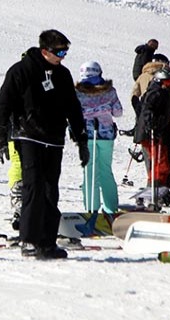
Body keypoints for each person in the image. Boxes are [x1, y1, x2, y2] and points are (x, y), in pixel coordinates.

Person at [0, 29, 89, 260]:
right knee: (33, 188)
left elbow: (73, 109)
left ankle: (47, 242)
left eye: (66, 51)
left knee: (50, 191)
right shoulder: (21, 70)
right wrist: (2, 140)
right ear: (45, 50)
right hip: (28, 137)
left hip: (54, 139)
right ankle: (28, 240)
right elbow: (3, 105)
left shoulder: (63, 75)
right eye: (59, 52)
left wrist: (81, 141)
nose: (63, 56)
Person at [75, 61, 123, 214]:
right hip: (106, 135)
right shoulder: (109, 91)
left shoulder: (78, 92)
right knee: (105, 170)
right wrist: (103, 110)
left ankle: (91, 207)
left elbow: (74, 113)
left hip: (86, 135)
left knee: (89, 170)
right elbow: (118, 112)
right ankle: (111, 208)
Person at [133, 67, 170, 194]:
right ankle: (154, 189)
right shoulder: (154, 93)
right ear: (160, 81)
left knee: (164, 162)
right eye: (168, 82)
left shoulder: (168, 93)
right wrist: (151, 127)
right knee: (158, 162)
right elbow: (146, 111)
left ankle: (164, 188)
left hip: (162, 131)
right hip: (151, 134)